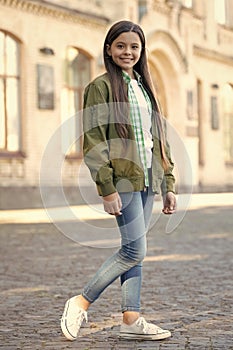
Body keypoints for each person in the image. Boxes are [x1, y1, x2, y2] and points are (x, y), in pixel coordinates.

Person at [61, 20, 176, 341]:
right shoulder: (100, 87)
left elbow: (159, 139)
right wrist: (106, 188)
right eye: (121, 46)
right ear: (109, 50)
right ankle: (81, 301)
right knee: (133, 250)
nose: (128, 52)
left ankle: (131, 319)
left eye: (134, 47)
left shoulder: (144, 88)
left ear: (141, 51)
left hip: (147, 180)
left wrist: (168, 183)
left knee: (134, 249)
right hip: (122, 181)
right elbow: (94, 140)